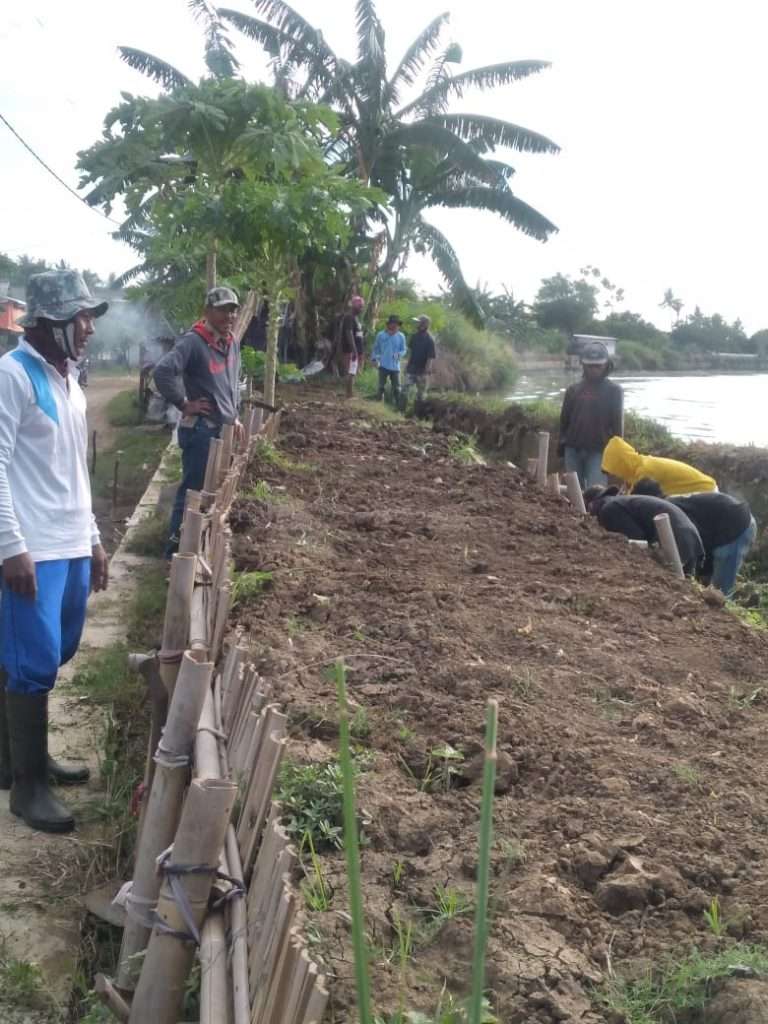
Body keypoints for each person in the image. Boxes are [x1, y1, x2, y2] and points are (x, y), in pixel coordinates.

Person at [0, 270, 110, 833]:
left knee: (57, 651)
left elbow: (76, 470)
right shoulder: (12, 375)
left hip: (68, 543)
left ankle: (24, 757)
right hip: (31, 548)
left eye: (89, 317)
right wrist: (9, 546)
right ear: (48, 323)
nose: (89, 328)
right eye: (80, 318)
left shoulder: (72, 383)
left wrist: (92, 539)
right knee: (31, 661)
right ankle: (27, 788)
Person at [154, 287, 243, 556]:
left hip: (224, 429)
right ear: (207, 312)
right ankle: (174, 550)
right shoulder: (193, 342)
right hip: (202, 432)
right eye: (223, 309)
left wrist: (235, 416)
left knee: (212, 492)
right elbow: (163, 371)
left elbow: (230, 386)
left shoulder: (231, 342)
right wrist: (184, 403)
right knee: (192, 492)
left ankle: (197, 546)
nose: (229, 315)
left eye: (232, 310)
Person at [632, 478, 756, 595]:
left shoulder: (669, 510)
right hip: (729, 523)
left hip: (735, 525)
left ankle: (725, 613)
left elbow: (691, 542)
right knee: (708, 583)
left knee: (720, 591)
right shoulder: (672, 504)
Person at [584, 485, 704, 576]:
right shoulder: (621, 502)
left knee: (675, 585)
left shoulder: (609, 509)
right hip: (688, 536)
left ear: (591, 506)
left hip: (674, 538)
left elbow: (636, 542)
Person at [558, 340, 623, 488]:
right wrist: (561, 449)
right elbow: (564, 422)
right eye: (590, 366)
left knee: (597, 492)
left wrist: (617, 454)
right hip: (572, 449)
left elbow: (618, 426)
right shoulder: (573, 390)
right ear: (583, 365)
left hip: (599, 451)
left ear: (606, 365)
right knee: (574, 493)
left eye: (598, 365)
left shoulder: (614, 391)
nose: (594, 369)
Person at [602, 435, 716, 495]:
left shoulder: (645, 471)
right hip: (702, 489)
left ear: (621, 465)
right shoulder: (639, 466)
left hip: (703, 491)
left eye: (613, 472)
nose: (614, 477)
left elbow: (635, 501)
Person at [372, 315, 407, 403]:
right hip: (383, 364)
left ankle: (398, 408)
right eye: (393, 323)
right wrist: (374, 359)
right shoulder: (381, 335)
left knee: (397, 388)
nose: (395, 326)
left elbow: (404, 349)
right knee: (381, 386)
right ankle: (378, 404)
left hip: (395, 366)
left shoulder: (401, 336)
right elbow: (376, 348)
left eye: (397, 324)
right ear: (389, 324)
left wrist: (399, 354)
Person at [405, 315, 437, 403]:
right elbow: (411, 353)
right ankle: (400, 410)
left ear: (424, 324)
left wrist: (426, 372)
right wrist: (407, 365)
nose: (416, 324)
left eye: (418, 322)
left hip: (422, 370)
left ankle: (416, 414)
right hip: (411, 368)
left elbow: (430, 358)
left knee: (420, 395)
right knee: (405, 390)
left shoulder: (430, 340)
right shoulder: (414, 337)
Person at [339, 295, 365, 399]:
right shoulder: (349, 317)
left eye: (362, 306)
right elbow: (348, 333)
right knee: (351, 371)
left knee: (352, 372)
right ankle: (348, 395)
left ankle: (349, 393)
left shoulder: (355, 318)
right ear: (354, 306)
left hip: (355, 350)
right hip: (350, 350)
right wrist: (354, 350)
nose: (361, 309)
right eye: (360, 306)